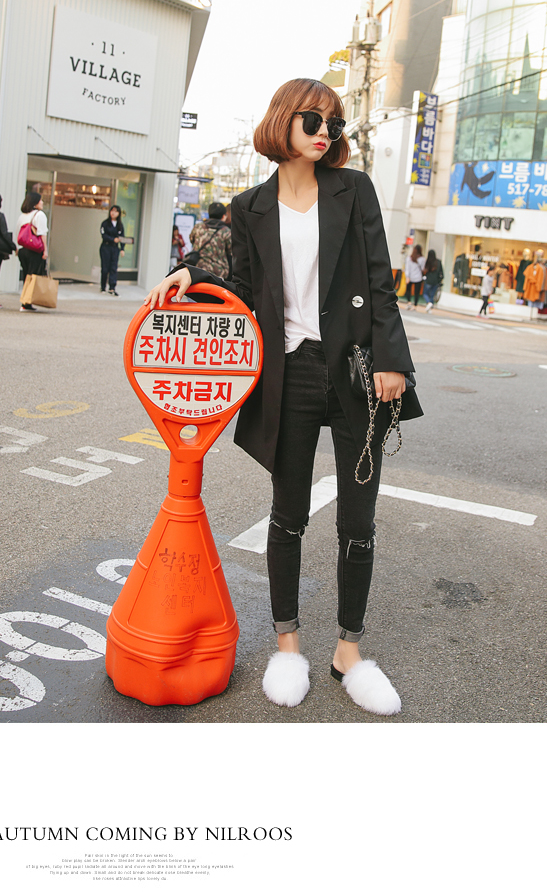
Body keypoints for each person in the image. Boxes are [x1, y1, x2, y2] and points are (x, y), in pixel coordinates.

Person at [145, 77, 417, 716]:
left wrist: (392, 360)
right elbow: (244, 285)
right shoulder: (250, 207)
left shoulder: (355, 190)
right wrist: (194, 275)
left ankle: (349, 652)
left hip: (355, 372)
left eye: (334, 123)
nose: (325, 132)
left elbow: (379, 282)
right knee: (288, 513)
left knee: (358, 520)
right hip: (288, 375)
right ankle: (287, 646)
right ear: (283, 121)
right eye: (312, 120)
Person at [17, 191, 49, 312]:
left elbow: (18, 232)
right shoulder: (39, 215)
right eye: (40, 200)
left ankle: (25, 301)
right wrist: (45, 250)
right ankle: (26, 302)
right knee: (33, 276)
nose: (42, 202)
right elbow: (42, 233)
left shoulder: (23, 216)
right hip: (35, 250)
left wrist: (17, 249)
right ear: (35, 203)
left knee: (27, 276)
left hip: (23, 250)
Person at [187, 201, 232, 278]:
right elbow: (231, 251)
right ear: (223, 216)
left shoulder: (198, 227)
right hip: (218, 274)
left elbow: (192, 240)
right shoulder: (226, 231)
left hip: (197, 270)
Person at [100, 205, 125, 295]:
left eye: (116, 211)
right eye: (112, 211)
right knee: (105, 268)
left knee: (113, 268)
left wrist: (122, 249)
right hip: (106, 247)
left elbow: (122, 237)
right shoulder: (105, 223)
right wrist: (113, 239)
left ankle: (112, 288)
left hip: (115, 248)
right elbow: (103, 235)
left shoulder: (120, 225)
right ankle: (103, 287)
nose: (113, 213)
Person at [404, 245, 425, 310]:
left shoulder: (409, 258)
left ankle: (409, 303)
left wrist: (407, 276)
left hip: (410, 277)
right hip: (418, 277)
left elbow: (407, 268)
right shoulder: (422, 259)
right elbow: (422, 268)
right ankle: (415, 305)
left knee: (408, 290)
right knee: (417, 292)